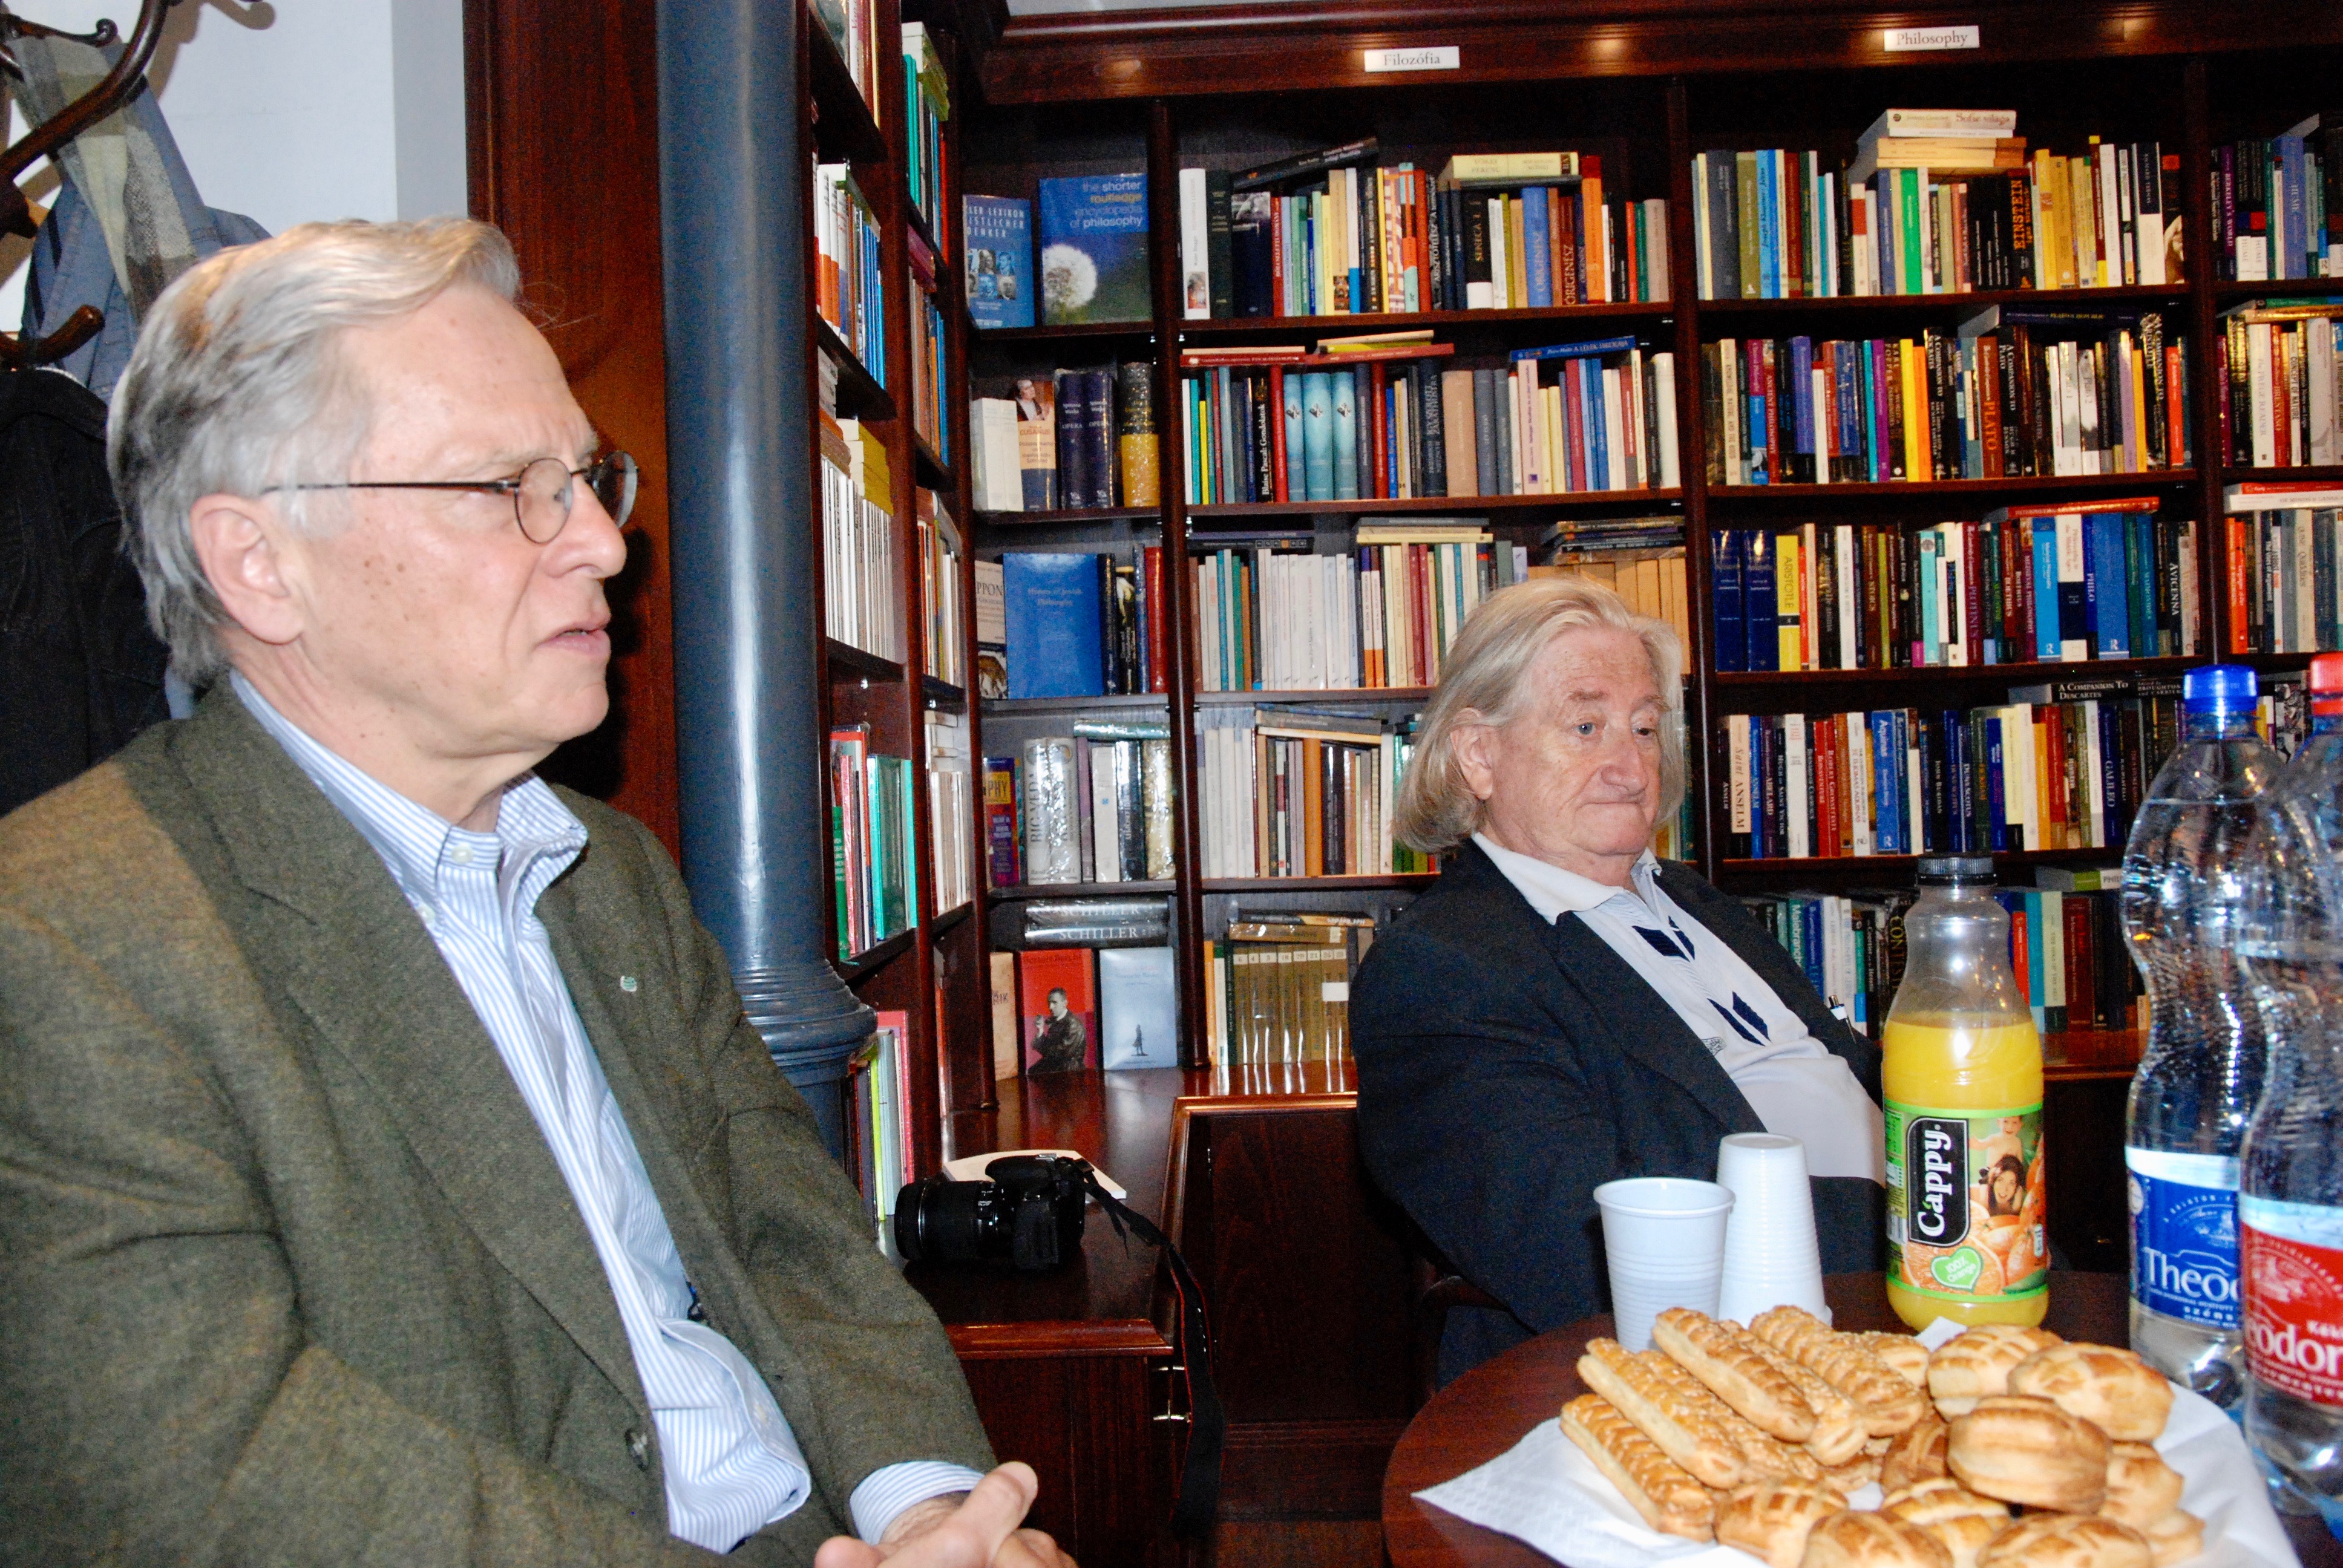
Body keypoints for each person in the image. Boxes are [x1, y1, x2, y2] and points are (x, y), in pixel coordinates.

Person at [0, 219, 1071, 1568]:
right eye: (509, 486)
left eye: (586, 479)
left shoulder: (605, 869)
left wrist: (933, 1514)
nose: (606, 547)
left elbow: (791, 1239)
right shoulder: (63, 943)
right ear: (260, 563)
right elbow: (209, 1482)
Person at [1351, 577, 1886, 1383]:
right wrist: (1928, 1219)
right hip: (1721, 1372)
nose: (1631, 769)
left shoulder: (1693, 903)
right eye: (1585, 726)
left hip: (1924, 1301)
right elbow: (1590, 1255)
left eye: (1643, 728)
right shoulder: (1442, 970)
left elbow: (1844, 1076)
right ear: (1478, 755)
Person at [1029, 987, 1089, 1074]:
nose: (1051, 1007)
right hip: (1057, 1065)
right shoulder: (1058, 1020)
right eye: (1049, 1003)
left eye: (1054, 1003)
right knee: (1031, 1072)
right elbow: (1051, 1048)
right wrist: (1040, 1030)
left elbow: (1059, 1053)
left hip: (1068, 1071)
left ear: (1065, 1003)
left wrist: (1041, 1045)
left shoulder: (1073, 1025)